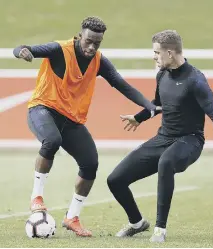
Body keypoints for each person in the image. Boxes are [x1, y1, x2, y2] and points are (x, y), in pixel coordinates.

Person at [13, 16, 156, 237]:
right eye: (88, 41)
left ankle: (72, 217)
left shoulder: (99, 60)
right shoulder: (59, 49)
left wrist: (149, 105)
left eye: (97, 43)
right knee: (52, 140)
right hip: (42, 109)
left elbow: (121, 84)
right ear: (80, 36)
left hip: (71, 119)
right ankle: (36, 197)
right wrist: (22, 52)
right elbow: (21, 48)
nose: (91, 46)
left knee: (90, 163)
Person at [107, 30, 213, 243]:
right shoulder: (162, 74)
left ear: (170, 53)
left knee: (166, 163)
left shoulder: (196, 80)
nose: (154, 56)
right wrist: (139, 118)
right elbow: (158, 105)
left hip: (190, 140)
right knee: (115, 180)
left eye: (157, 52)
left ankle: (159, 230)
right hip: (162, 138)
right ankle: (137, 223)